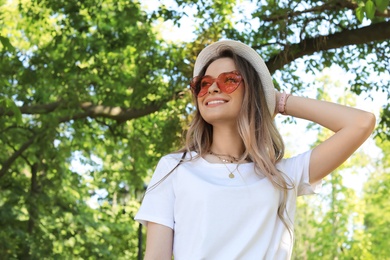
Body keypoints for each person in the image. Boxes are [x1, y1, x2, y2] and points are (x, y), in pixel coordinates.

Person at [134, 40, 375, 259]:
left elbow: (360, 123)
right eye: (204, 84)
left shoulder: (283, 175)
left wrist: (276, 100)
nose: (213, 89)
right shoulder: (175, 168)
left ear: (252, 92)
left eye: (229, 80)